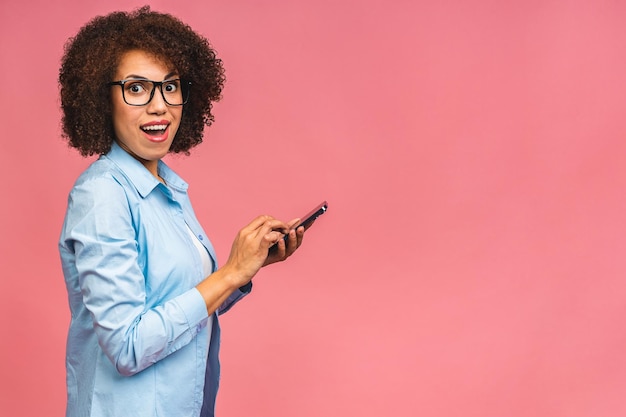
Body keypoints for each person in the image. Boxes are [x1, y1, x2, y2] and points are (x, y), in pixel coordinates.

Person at [58, 7, 306, 417]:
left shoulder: (168, 189)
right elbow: (128, 345)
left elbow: (182, 306)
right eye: (137, 88)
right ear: (103, 98)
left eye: (170, 87)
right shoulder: (102, 195)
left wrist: (246, 267)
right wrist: (228, 274)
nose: (160, 106)